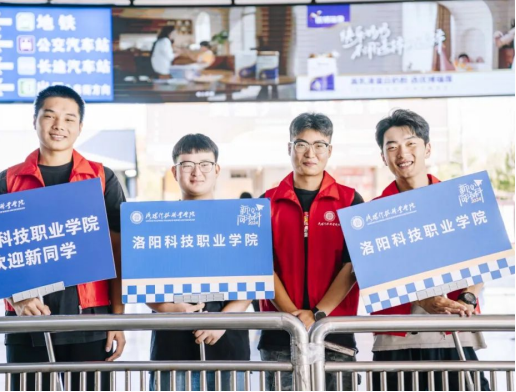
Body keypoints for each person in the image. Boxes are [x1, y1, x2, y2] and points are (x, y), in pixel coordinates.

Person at [0, 85, 127, 391]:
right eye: (49, 116)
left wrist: (118, 318)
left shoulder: (102, 178)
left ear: (80, 126)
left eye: (68, 118)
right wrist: (17, 298)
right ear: (35, 120)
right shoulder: (8, 181)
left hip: (90, 322)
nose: (58, 125)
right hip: (27, 322)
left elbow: (119, 253)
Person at [371, 109, 490, 392]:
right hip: (397, 339)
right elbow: (374, 274)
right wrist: (423, 299)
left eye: (410, 143)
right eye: (392, 147)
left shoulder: (459, 200)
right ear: (383, 157)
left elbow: (484, 258)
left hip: (454, 333)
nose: (402, 153)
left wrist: (468, 297)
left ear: (427, 148)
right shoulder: (373, 214)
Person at [259, 113, 364, 392]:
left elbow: (352, 266)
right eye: (302, 144)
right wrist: (293, 318)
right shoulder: (266, 203)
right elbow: (262, 267)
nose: (310, 153)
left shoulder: (350, 201)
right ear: (289, 148)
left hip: (335, 334)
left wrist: (317, 314)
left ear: (330, 150)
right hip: (279, 335)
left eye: (319, 145)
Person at [147, 134, 251, 391]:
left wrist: (223, 321)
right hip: (172, 347)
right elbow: (142, 282)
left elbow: (253, 281)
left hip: (228, 345)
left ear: (216, 170)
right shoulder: (156, 224)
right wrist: (169, 309)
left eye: (205, 164)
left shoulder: (239, 220)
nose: (197, 172)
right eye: (187, 165)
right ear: (174, 171)